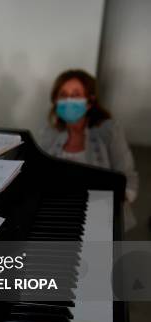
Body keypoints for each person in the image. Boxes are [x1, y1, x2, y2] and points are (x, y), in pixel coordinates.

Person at [38, 69, 138, 229]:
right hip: (59, 213)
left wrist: (107, 210)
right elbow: (40, 175)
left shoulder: (110, 130)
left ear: (90, 101)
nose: (69, 100)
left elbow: (129, 180)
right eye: (63, 95)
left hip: (101, 216)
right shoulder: (49, 132)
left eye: (76, 95)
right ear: (55, 100)